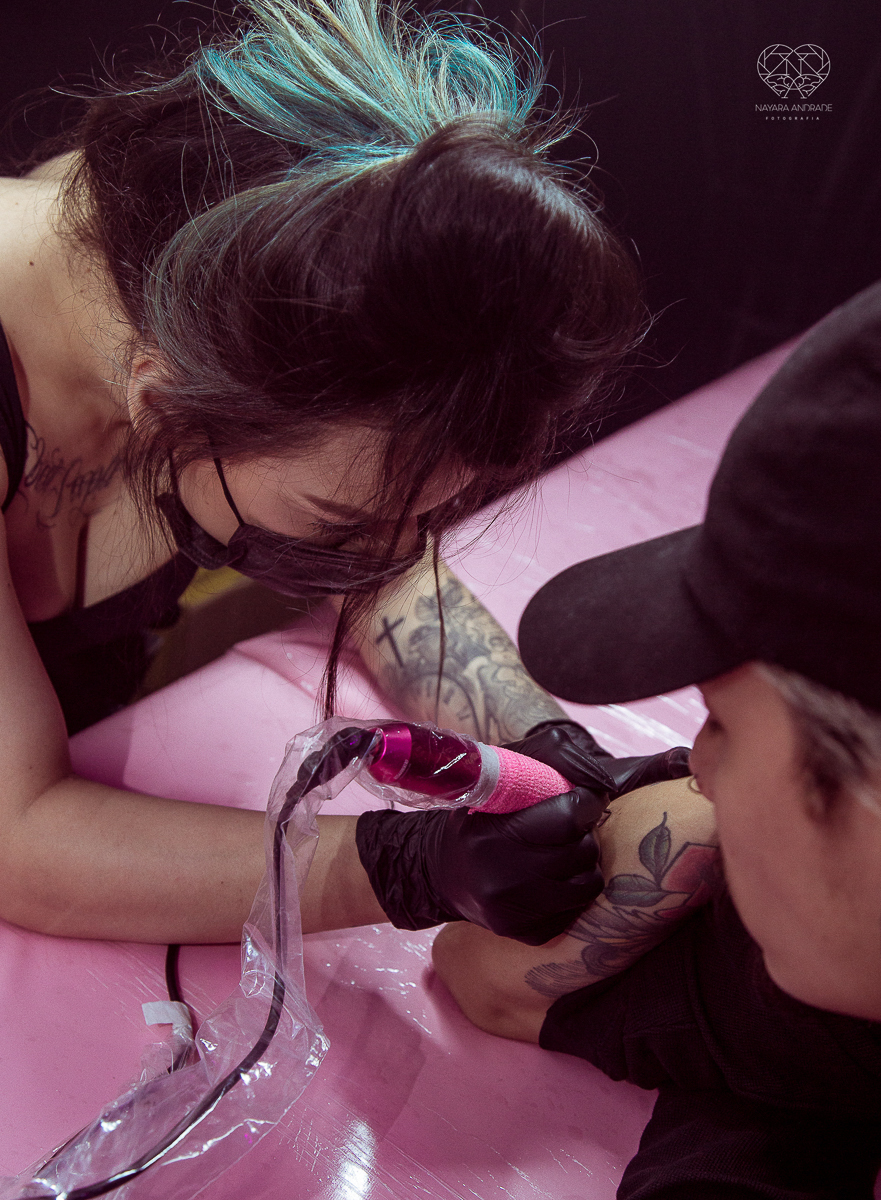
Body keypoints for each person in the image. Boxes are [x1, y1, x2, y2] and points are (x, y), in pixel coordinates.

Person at [0, 0, 646, 943]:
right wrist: (401, 868)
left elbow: (376, 561)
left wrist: (543, 746)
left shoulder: (209, 264)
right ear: (163, 400)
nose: (391, 556)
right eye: (340, 521)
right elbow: (17, 836)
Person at [425, 280, 881, 1197]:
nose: (698, 767)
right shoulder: (823, 994)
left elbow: (484, 972)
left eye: (722, 723)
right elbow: (477, 973)